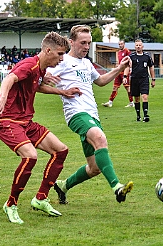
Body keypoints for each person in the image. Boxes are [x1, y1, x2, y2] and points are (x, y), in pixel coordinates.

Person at [0, 31, 81, 224]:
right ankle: (10, 204)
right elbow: (9, 79)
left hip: (25, 122)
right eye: (60, 54)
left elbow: (36, 86)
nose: (62, 58)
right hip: (5, 120)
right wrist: (3, 97)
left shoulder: (39, 69)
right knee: (30, 156)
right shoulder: (29, 65)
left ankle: (40, 198)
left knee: (61, 150)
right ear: (48, 50)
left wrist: (63, 92)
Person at [44, 25, 133, 206]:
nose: (86, 46)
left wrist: (119, 68)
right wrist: (61, 91)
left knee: (94, 168)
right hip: (76, 114)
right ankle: (117, 187)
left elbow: (100, 81)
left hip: (92, 114)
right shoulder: (62, 62)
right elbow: (39, 80)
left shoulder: (86, 63)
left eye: (89, 43)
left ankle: (63, 185)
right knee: (100, 138)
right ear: (71, 42)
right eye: (82, 43)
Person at [123, 39, 155, 122]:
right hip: (134, 79)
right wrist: (125, 77)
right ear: (135, 47)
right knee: (136, 99)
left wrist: (153, 79)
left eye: (139, 45)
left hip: (144, 79)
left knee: (144, 96)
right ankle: (138, 116)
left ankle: (146, 116)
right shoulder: (131, 56)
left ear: (142, 46)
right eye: (136, 45)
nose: (138, 46)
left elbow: (151, 67)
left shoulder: (147, 56)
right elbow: (127, 67)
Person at [102, 40, 134, 108]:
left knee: (127, 87)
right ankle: (110, 102)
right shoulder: (119, 52)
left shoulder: (127, 51)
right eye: (119, 44)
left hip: (125, 72)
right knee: (115, 87)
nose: (120, 45)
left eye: (121, 44)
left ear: (124, 44)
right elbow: (119, 62)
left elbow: (129, 61)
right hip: (118, 72)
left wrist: (128, 70)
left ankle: (131, 102)